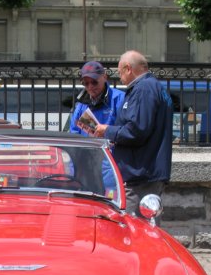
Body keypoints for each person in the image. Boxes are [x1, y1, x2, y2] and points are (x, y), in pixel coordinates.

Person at [91, 50, 174, 217]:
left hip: (141, 174)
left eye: (120, 72)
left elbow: (137, 130)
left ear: (128, 68)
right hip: (146, 171)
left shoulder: (143, 89)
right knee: (147, 226)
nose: (120, 77)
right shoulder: (154, 86)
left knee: (133, 228)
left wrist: (108, 130)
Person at [69, 61, 125, 198]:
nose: (90, 87)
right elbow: (73, 134)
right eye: (85, 83)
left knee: (111, 208)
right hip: (87, 167)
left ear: (104, 77)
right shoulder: (82, 103)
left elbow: (126, 131)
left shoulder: (119, 99)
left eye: (94, 82)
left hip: (111, 166)